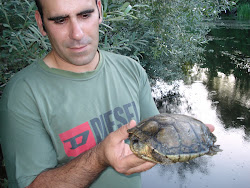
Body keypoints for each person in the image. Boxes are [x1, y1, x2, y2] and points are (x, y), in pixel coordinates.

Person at [0, 0, 215, 187]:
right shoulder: (22, 94)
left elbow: (159, 131)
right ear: (41, 23)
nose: (77, 33)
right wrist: (99, 158)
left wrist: (190, 138)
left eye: (85, 15)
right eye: (60, 20)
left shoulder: (131, 70)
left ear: (100, 11)